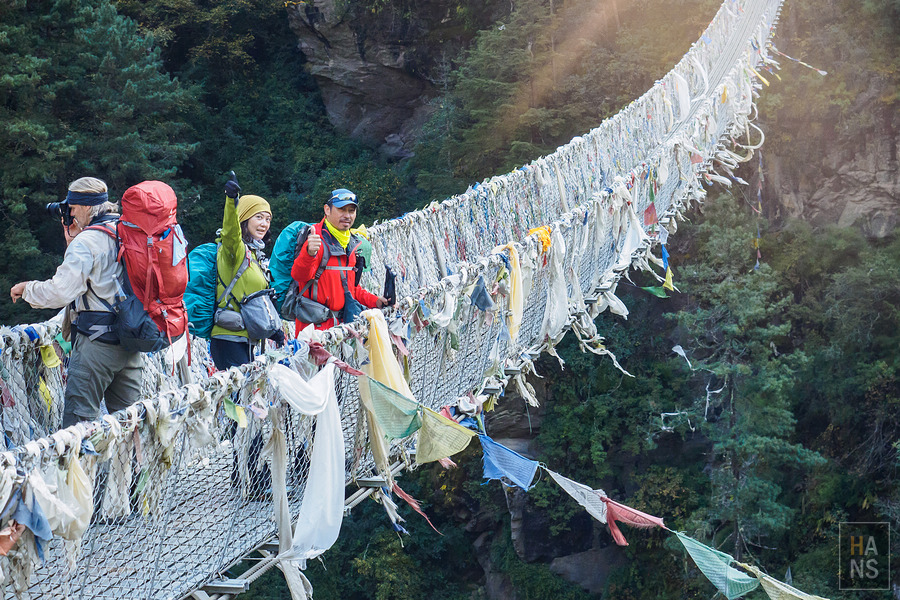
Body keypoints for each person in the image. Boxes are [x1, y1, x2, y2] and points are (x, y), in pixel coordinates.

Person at [9, 177, 142, 428]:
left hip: (96, 345)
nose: (69, 213)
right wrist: (72, 242)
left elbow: (61, 291)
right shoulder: (125, 231)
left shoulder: (87, 242)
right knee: (130, 426)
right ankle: (135, 468)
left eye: (71, 208)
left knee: (79, 428)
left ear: (84, 207)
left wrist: (28, 289)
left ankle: (82, 467)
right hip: (132, 340)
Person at [210, 175, 285, 372]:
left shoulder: (256, 256)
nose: (264, 223)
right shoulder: (234, 250)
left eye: (268, 219)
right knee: (236, 400)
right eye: (258, 217)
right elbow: (230, 231)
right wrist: (231, 201)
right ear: (243, 218)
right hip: (229, 338)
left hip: (247, 337)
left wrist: (273, 329)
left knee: (246, 398)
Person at [290, 188, 389, 333]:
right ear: (327, 210)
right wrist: (309, 253)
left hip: (342, 329)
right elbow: (299, 276)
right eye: (342, 209)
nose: (347, 215)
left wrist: (376, 301)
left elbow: (351, 289)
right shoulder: (316, 239)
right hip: (315, 331)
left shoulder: (350, 243)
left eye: (351, 211)